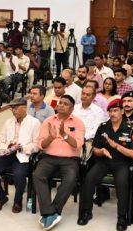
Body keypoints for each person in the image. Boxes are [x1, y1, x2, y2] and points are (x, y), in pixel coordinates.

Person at [78, 99, 133, 231]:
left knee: (122, 183)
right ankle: (86, 212)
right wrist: (101, 151)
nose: (112, 114)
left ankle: (122, 217)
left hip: (122, 163)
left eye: (115, 110)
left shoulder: (131, 129)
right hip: (104, 162)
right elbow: (94, 149)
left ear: (122, 111)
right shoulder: (103, 126)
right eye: (110, 111)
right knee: (89, 178)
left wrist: (116, 146)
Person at [34, 95, 85, 230]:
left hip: (70, 160)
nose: (61, 105)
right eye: (60, 103)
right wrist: (51, 137)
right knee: (38, 175)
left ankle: (53, 211)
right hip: (48, 158)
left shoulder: (78, 123)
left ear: (72, 108)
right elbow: (41, 145)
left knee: (70, 178)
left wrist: (64, 135)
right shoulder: (48, 121)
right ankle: (50, 212)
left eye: (66, 104)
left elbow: (78, 145)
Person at [0, 97, 40, 213]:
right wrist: (8, 146)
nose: (13, 110)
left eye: (16, 107)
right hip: (7, 154)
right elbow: (0, 141)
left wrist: (21, 147)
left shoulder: (34, 123)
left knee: (19, 174)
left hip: (23, 155)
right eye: (12, 108)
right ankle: (1, 198)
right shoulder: (8, 122)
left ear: (25, 107)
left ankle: (17, 201)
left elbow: (36, 145)